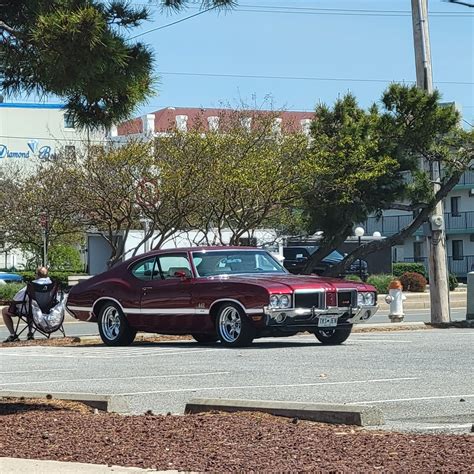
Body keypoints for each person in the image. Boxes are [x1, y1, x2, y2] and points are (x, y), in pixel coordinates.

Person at [2, 266, 52, 343]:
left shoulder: (33, 285)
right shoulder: (51, 285)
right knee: (29, 306)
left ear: (37, 275)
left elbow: (16, 299)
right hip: (45, 310)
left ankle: (13, 334)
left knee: (4, 310)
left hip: (31, 311)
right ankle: (30, 333)